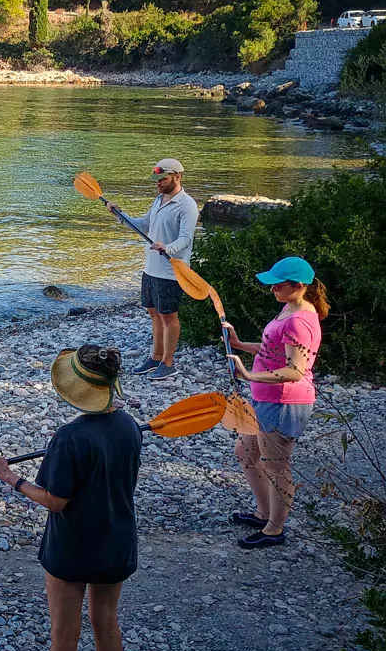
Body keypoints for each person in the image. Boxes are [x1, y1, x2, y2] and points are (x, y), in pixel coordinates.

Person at [0, 345, 142, 651]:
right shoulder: (130, 426)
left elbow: (55, 501)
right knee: (107, 623)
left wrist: (9, 477)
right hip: (117, 541)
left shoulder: (68, 437)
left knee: (65, 634)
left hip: (73, 547)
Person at [223, 256, 328, 549]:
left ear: (298, 286)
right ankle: (263, 512)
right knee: (245, 452)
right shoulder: (288, 309)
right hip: (262, 397)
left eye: (277, 284)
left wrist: (248, 373)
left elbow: (295, 369)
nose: (272, 289)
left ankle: (274, 529)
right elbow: (272, 351)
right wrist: (241, 345)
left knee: (275, 465)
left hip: (283, 403)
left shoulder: (299, 321)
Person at [105, 158, 200, 381]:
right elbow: (144, 225)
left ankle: (168, 363)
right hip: (151, 270)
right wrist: (120, 215)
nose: (157, 183)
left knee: (169, 316)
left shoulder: (187, 205)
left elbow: (186, 239)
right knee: (154, 313)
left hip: (171, 272)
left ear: (178, 177)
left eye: (162, 179)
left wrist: (167, 247)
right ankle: (155, 357)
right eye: (156, 179)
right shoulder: (158, 200)